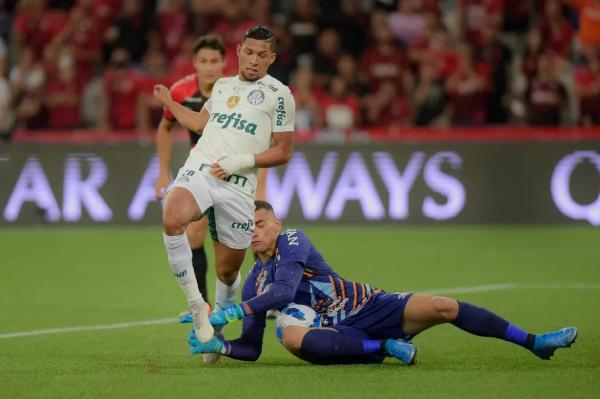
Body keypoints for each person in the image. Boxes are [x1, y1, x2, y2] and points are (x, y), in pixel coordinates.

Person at [186, 200, 578, 365]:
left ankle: (535, 343)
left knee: (444, 306)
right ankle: (383, 348)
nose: (254, 232)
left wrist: (232, 310)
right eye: (247, 227)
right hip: (340, 331)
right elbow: (251, 349)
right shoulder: (254, 281)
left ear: (276, 225)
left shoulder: (293, 240)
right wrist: (219, 342)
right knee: (290, 339)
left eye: (260, 225)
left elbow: (286, 291)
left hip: (372, 304)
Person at [152, 26, 295, 360]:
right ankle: (197, 303)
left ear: (272, 58)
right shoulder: (223, 86)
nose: (254, 60)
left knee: (227, 271)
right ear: (239, 51)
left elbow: (284, 151)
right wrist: (169, 102)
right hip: (201, 169)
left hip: (239, 187)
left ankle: (216, 326)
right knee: (173, 218)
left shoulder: (279, 94)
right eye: (249, 52)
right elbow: (200, 125)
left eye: (263, 55)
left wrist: (239, 162)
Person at [154, 34, 227, 310]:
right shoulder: (181, 91)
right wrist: (163, 172)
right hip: (201, 170)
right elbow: (166, 127)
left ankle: (266, 298)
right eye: (203, 61)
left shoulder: (232, 90)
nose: (209, 66)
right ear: (194, 63)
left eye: (214, 60)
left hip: (235, 169)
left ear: (223, 63)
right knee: (194, 237)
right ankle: (203, 304)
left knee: (254, 232)